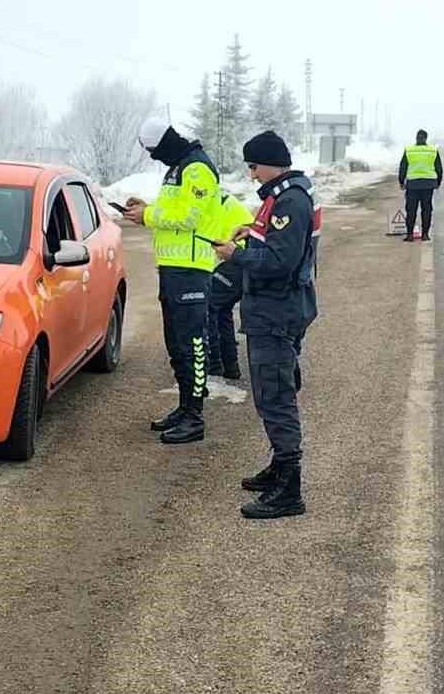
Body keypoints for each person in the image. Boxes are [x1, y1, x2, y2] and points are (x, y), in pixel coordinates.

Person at [214, 130, 317, 519]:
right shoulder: (280, 196)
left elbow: (280, 263)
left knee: (276, 398)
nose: (251, 173)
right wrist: (251, 236)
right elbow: (274, 246)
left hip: (276, 314)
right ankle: (279, 467)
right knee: (271, 393)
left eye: (254, 166)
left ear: (271, 162)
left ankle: (289, 489)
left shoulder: (289, 200)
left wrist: (234, 257)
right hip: (273, 310)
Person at [123, 117, 221, 445]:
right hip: (173, 268)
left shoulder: (197, 169)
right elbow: (172, 211)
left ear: (165, 143)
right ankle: (184, 406)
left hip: (192, 269)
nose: (153, 157)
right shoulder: (177, 168)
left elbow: (189, 217)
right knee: (176, 344)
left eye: (154, 151)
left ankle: (195, 416)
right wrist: (147, 209)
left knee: (192, 344)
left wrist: (149, 216)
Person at [208, 190, 253, 380]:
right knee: (221, 311)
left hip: (234, 261)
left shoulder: (204, 200)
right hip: (242, 261)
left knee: (209, 307)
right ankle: (230, 367)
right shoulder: (221, 198)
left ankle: (215, 365)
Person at [398, 128, 443, 242]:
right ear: (426, 138)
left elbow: (403, 166)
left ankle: (410, 235)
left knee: (411, 210)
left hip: (412, 185)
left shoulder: (409, 150)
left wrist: (401, 181)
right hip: (428, 185)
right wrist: (438, 182)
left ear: (416, 138)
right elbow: (439, 168)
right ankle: (425, 234)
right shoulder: (432, 150)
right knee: (426, 210)